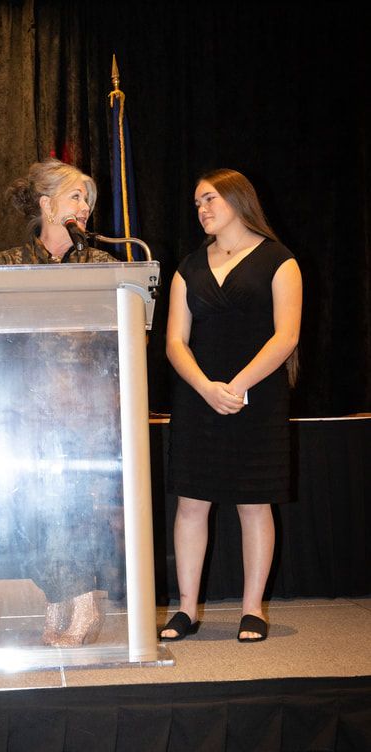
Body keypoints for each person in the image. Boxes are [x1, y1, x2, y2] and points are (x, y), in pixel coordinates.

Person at [161, 167, 302, 643]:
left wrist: (236, 387)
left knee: (253, 502)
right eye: (196, 203)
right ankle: (184, 610)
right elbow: (175, 342)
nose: (201, 210)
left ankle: (252, 610)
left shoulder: (280, 261)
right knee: (191, 503)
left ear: (238, 201)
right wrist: (206, 387)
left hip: (256, 397)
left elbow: (286, 337)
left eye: (209, 200)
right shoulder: (188, 266)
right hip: (198, 397)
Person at [0, 158, 119, 647]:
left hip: (87, 413)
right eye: (74, 197)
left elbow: (120, 340)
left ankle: (84, 604)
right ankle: (58, 599)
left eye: (87, 198)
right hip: (24, 413)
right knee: (31, 512)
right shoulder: (6, 266)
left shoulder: (104, 265)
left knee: (78, 511)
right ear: (46, 205)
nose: (84, 207)